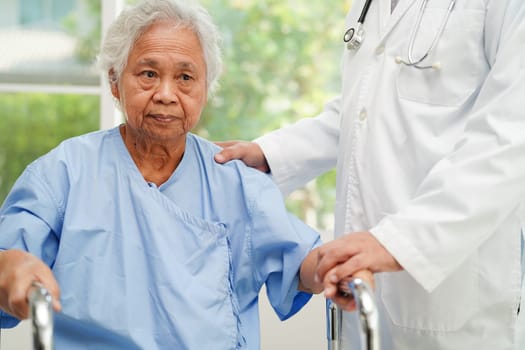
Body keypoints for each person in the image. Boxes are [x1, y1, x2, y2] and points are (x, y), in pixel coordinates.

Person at [0, 0, 327, 348]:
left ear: (205, 88)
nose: (166, 95)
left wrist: (332, 265)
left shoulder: (236, 182)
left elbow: (302, 263)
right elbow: (10, 260)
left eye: (185, 78)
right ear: (114, 81)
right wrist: (11, 267)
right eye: (149, 74)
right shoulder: (64, 172)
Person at [215, 0, 525, 349]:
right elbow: (362, 108)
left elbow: (509, 138)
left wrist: (397, 242)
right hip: (362, 286)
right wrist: (272, 153)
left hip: (450, 292)